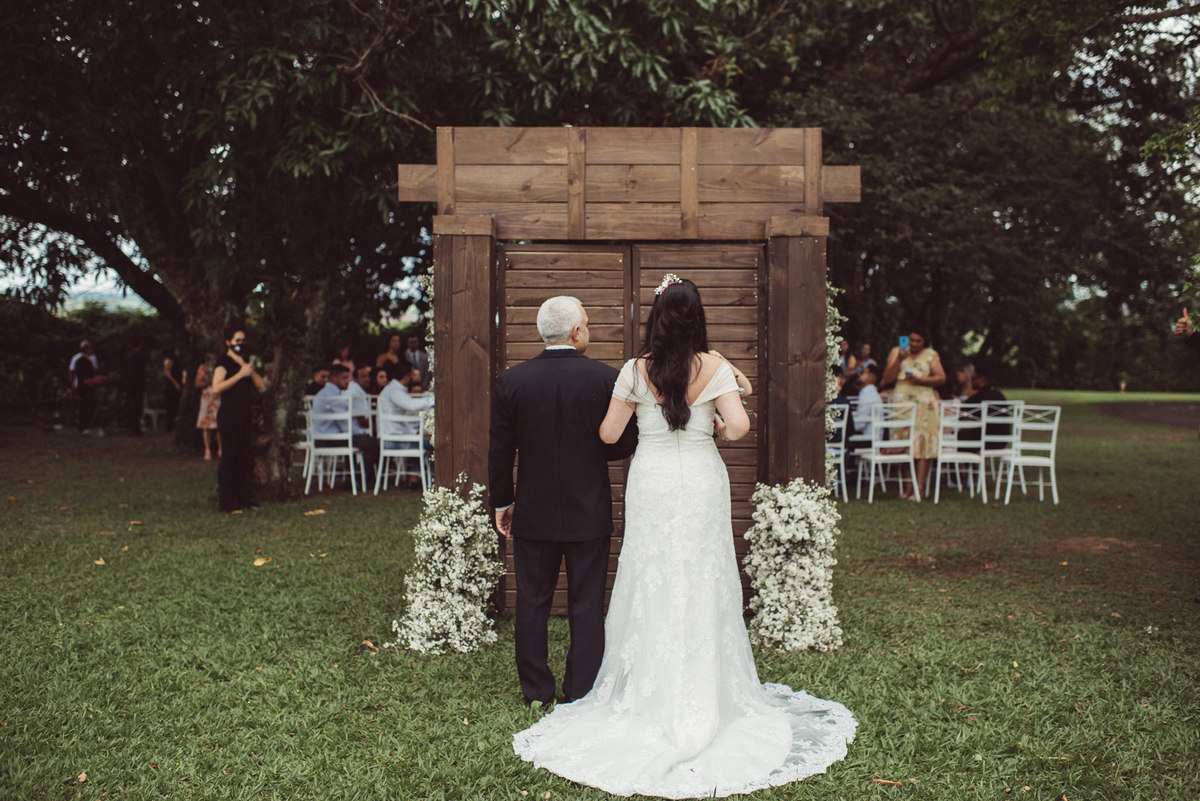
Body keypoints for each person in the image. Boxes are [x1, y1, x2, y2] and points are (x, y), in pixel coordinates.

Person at [512, 278, 856, 798]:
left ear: (656, 319)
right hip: (699, 482)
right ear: (696, 318)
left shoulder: (634, 369)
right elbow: (739, 428)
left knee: (650, 573)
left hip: (651, 482)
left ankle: (642, 691)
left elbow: (608, 435)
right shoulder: (714, 366)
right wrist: (719, 414)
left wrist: (637, 420)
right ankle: (705, 689)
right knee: (702, 573)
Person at [489, 296, 638, 709]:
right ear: (576, 332)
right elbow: (622, 444)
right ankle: (581, 690)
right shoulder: (606, 379)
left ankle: (536, 692)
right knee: (587, 602)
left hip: (532, 510)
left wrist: (503, 502)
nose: (587, 330)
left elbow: (500, 450)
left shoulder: (513, 381)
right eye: (587, 324)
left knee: (532, 600)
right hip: (588, 509)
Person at [882, 328, 946, 499]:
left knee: (922, 443)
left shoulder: (931, 354)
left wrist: (922, 380)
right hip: (902, 402)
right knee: (904, 442)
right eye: (911, 340)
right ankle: (908, 486)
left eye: (918, 341)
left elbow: (941, 378)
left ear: (924, 341)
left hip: (924, 403)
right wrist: (899, 360)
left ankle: (919, 487)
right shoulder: (897, 352)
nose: (914, 344)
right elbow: (887, 379)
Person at [211, 329, 264, 512]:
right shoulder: (223, 363)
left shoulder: (245, 362)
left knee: (244, 457)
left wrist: (248, 370)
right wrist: (240, 374)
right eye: (237, 340)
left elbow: (261, 384)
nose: (240, 343)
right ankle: (227, 502)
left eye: (243, 340)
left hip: (244, 414)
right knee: (229, 457)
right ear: (228, 342)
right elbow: (217, 387)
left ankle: (244, 499)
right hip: (229, 415)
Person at [314, 364, 379, 487]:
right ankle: (358, 479)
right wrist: (361, 433)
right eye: (344, 378)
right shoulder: (334, 396)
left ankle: (354, 477)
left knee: (362, 440)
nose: (348, 381)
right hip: (328, 439)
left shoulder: (325, 392)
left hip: (323, 437)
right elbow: (345, 425)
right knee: (373, 444)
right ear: (334, 379)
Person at [378, 361, 434, 486]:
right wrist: (432, 399)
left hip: (395, 436)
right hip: (391, 440)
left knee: (425, 440)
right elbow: (411, 406)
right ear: (406, 376)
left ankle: (416, 477)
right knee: (433, 443)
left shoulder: (394, 389)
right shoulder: (394, 390)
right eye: (412, 374)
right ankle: (435, 480)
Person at [69, 340, 104, 434]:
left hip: (83, 386)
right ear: (87, 350)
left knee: (84, 406)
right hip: (86, 387)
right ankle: (85, 426)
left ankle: (84, 426)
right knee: (86, 407)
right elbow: (86, 377)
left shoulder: (82, 360)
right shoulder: (84, 361)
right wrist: (97, 380)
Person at [120, 339, 148, 435]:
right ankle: (135, 428)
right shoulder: (137, 357)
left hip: (130, 385)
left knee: (132, 406)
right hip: (137, 386)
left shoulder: (128, 356)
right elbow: (139, 373)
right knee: (136, 407)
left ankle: (132, 426)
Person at [194, 362, 221, 461]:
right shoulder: (202, 368)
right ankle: (207, 450)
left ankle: (221, 449)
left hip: (217, 398)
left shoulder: (221, 366)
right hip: (206, 398)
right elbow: (196, 384)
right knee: (206, 426)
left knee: (219, 425)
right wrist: (208, 382)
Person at [854, 362, 883, 439]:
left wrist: (847, 426)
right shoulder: (873, 392)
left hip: (868, 439)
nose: (859, 374)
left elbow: (860, 424)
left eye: (863, 372)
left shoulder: (866, 393)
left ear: (869, 378)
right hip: (876, 438)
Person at [162, 345, 185, 432]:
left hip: (176, 383)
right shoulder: (169, 360)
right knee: (170, 406)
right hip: (171, 386)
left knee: (175, 405)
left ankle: (172, 425)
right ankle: (168, 426)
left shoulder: (177, 360)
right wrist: (175, 383)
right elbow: (167, 373)